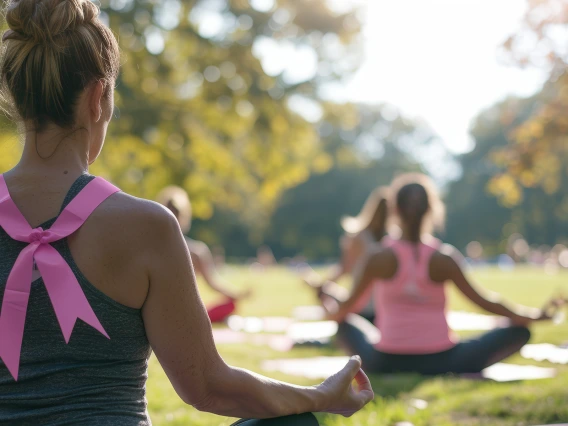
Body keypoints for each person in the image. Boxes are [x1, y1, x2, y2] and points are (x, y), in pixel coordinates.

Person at [0, 1, 374, 425]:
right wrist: (319, 395)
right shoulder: (147, 225)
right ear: (98, 96)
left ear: (16, 95)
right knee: (293, 422)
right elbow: (207, 386)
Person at [322, 173, 559, 375]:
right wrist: (532, 316)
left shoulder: (379, 257)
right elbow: (486, 301)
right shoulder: (444, 258)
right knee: (519, 332)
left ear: (394, 210)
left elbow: (347, 307)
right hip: (444, 361)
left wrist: (331, 309)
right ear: (431, 209)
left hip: (385, 361)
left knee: (345, 325)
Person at [157, 186, 250, 323]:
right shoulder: (196, 251)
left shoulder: (150, 249)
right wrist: (237, 295)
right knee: (229, 305)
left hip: (158, 314)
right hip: (185, 314)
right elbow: (212, 283)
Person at [303, 186, 390, 323]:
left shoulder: (361, 238)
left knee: (325, 293)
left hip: (364, 308)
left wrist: (321, 286)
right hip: (385, 309)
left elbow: (344, 269)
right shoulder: (393, 240)